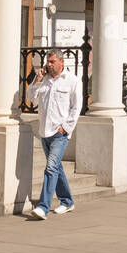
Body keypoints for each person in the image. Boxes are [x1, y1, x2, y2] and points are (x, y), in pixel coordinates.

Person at [29, 50, 82, 219]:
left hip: (60, 133)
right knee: (56, 167)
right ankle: (67, 201)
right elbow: (31, 98)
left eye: (52, 62)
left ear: (61, 62)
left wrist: (66, 127)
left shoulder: (72, 81)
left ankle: (43, 207)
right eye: (48, 62)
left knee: (51, 167)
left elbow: (76, 106)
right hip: (45, 131)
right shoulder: (43, 80)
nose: (49, 65)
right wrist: (37, 80)